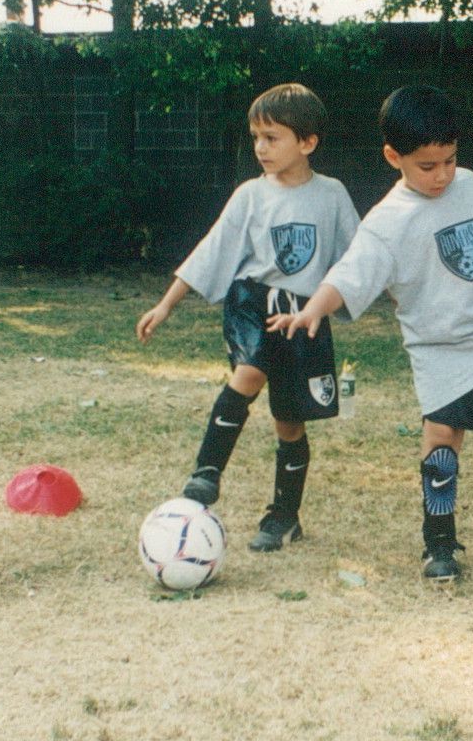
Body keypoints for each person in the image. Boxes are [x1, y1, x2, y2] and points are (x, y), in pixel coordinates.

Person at [272, 85, 473, 581]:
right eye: (427, 166)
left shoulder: (468, 184)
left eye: (449, 160)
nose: (442, 174)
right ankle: (439, 543)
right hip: (440, 349)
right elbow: (347, 275)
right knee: (443, 440)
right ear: (393, 157)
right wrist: (314, 308)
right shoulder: (385, 223)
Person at [136, 83, 359, 552]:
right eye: (256, 137)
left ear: (307, 142)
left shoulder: (332, 195)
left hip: (304, 313)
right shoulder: (249, 195)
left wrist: (399, 298)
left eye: (271, 137)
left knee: (290, 423)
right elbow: (211, 250)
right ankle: (206, 472)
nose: (260, 147)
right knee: (250, 372)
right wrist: (166, 303)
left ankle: (283, 517)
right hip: (252, 301)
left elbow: (360, 259)